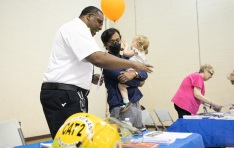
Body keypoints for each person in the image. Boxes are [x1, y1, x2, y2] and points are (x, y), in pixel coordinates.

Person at [40, 6, 153, 139]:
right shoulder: (76, 28)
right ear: (88, 17)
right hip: (65, 95)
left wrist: (90, 77)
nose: (100, 27)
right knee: (70, 141)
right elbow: (98, 59)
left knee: (77, 142)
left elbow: (142, 80)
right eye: (99, 21)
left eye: (118, 40)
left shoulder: (80, 32)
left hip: (73, 94)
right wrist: (133, 65)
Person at [101, 28, 148, 129]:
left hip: (135, 101)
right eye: (112, 41)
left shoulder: (127, 59)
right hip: (120, 106)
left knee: (138, 136)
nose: (116, 43)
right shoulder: (106, 63)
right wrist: (138, 82)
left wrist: (134, 74)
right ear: (105, 45)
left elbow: (144, 73)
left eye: (117, 40)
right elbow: (123, 79)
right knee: (124, 138)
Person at [118, 35, 149, 111]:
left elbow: (125, 53)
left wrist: (126, 46)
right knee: (125, 85)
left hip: (131, 71)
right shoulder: (142, 53)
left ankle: (126, 102)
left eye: (133, 42)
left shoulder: (135, 51)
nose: (131, 43)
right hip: (137, 72)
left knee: (121, 85)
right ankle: (127, 101)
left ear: (138, 44)